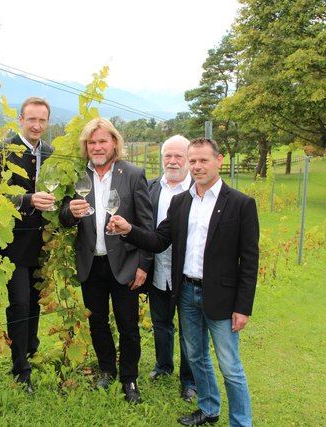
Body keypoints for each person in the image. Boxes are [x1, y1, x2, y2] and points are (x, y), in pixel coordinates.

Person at [109, 137, 259, 426]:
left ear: (220, 160)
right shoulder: (181, 202)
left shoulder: (241, 204)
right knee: (197, 356)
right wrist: (129, 229)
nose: (197, 166)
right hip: (187, 292)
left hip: (223, 298)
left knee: (230, 366)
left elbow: (249, 261)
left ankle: (241, 422)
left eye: (203, 160)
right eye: (193, 161)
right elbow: (158, 240)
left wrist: (243, 306)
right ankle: (209, 409)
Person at [58, 118, 153, 404]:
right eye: (92, 142)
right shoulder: (76, 176)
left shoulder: (133, 174)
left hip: (124, 264)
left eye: (102, 141)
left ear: (114, 143)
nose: (97, 147)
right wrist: (69, 212)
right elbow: (64, 219)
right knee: (97, 323)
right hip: (91, 263)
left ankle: (129, 379)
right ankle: (107, 371)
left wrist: (144, 264)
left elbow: (146, 226)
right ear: (86, 147)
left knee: (128, 326)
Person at [0, 97, 55, 393]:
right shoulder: (2, 153)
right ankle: (20, 369)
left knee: (34, 302)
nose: (37, 125)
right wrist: (27, 200)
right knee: (18, 303)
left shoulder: (52, 155)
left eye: (42, 120)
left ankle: (30, 350)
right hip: (13, 247)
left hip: (42, 245)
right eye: (31, 120)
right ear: (20, 120)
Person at [146, 135, 196, 403]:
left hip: (186, 274)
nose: (173, 161)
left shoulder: (197, 190)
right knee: (161, 323)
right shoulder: (152, 186)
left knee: (190, 330)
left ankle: (190, 381)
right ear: (162, 158)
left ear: (188, 159)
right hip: (158, 270)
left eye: (179, 156)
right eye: (168, 156)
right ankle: (163, 366)